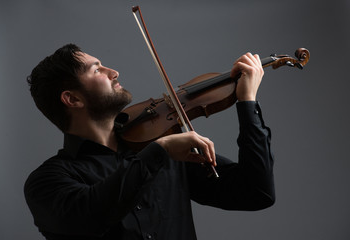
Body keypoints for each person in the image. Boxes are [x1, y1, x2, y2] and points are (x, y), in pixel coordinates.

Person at [24, 43, 275, 240]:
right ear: (72, 99)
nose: (113, 72)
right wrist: (159, 151)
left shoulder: (165, 152)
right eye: (97, 69)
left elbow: (256, 192)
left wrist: (247, 103)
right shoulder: (46, 183)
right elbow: (93, 215)